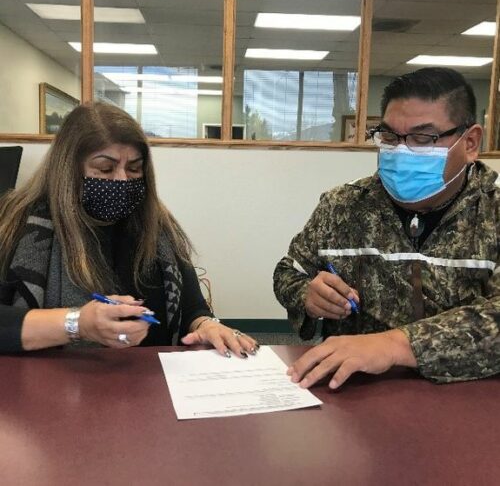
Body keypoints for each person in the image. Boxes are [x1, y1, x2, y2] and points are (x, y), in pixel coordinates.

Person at [274, 67, 500, 389]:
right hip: (357, 393)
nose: (401, 150)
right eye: (390, 136)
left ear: (471, 142)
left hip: (467, 395)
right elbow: (288, 272)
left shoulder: (493, 212)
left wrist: (396, 345)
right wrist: (306, 295)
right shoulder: (343, 205)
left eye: (423, 138)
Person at [0, 102, 258, 357]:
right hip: (53, 386)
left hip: (148, 382)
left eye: (134, 168)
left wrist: (206, 325)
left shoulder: (156, 226)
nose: (122, 180)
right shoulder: (19, 224)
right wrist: (78, 323)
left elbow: (192, 306)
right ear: (68, 168)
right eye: (105, 168)